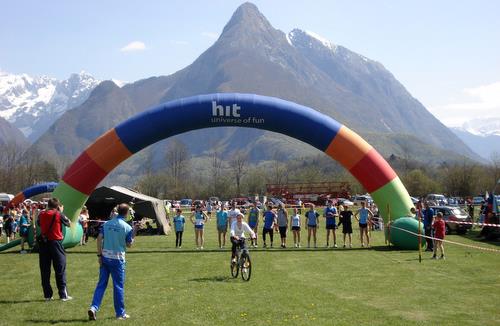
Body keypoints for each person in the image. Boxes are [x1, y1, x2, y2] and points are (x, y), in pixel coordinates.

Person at [88, 203, 138, 321]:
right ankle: (120, 313)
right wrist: (135, 230)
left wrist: (99, 255)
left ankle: (94, 308)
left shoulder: (106, 224)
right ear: (126, 213)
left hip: (105, 258)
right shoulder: (127, 227)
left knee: (101, 284)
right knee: (118, 287)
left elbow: (99, 239)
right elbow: (129, 244)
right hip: (118, 260)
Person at [37, 198, 72, 301]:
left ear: (48, 205)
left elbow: (39, 224)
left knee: (44, 270)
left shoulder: (41, 214)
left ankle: (47, 295)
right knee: (60, 269)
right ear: (57, 206)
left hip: (44, 244)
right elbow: (69, 223)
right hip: (55, 243)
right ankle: (63, 295)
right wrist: (61, 212)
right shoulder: (58, 214)